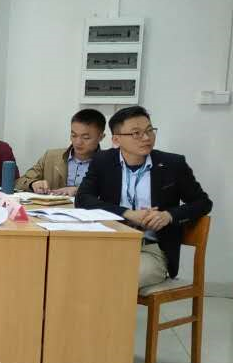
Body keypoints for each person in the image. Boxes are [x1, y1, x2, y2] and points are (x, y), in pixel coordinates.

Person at [77, 106, 212, 292]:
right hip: (111, 244)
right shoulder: (103, 161)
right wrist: (127, 213)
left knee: (117, 279)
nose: (146, 138)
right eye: (136, 133)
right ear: (116, 140)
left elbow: (203, 203)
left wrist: (168, 216)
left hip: (152, 249)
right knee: (73, 272)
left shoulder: (173, 165)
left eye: (149, 130)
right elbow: (83, 198)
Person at [16, 108, 106, 196]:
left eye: (86, 138)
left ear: (101, 137)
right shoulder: (50, 157)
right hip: (51, 206)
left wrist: (80, 190)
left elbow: (111, 193)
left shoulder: (108, 162)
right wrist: (33, 184)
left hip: (87, 206)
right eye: (74, 135)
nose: (78, 142)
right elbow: (19, 182)